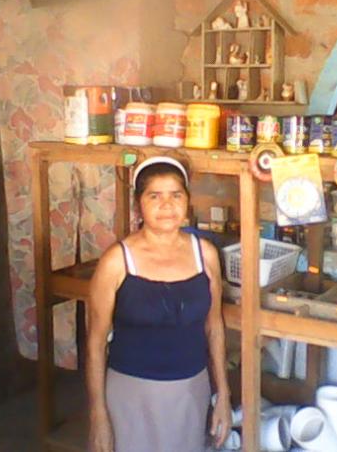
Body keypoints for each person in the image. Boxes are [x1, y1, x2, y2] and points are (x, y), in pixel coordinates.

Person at [87, 156, 232, 452]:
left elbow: (214, 327)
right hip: (131, 393)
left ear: (187, 201)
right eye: (155, 196)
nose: (167, 205)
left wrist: (223, 396)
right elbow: (95, 343)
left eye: (176, 195)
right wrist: (98, 414)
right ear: (138, 204)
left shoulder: (205, 255)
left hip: (190, 390)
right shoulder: (117, 261)